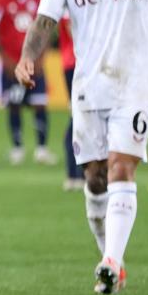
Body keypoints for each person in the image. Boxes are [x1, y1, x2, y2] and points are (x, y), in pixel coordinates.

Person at [16, 0, 148, 295]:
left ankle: (112, 260)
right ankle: (109, 261)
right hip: (88, 87)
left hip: (136, 85)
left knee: (122, 167)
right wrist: (29, 56)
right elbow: (45, 21)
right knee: (95, 177)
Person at [0, 0, 56, 165]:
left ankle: (42, 149)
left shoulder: (37, 0)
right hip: (12, 67)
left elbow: (48, 30)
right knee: (14, 106)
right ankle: (17, 148)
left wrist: (42, 58)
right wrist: (5, 59)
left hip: (34, 64)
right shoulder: (1, 1)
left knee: (40, 104)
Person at [57, 14, 86, 191]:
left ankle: (75, 175)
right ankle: (76, 174)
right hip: (77, 65)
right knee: (80, 121)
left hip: (76, 64)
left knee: (79, 120)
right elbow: (74, 31)